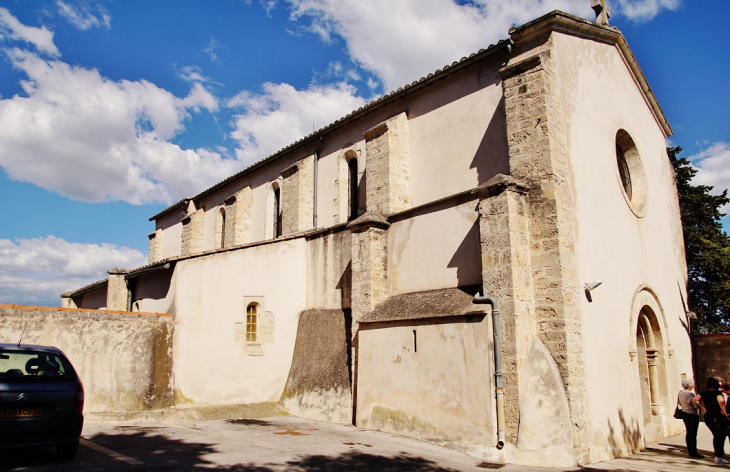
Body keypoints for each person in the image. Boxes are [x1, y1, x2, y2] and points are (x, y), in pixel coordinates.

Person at [693, 377, 729, 464]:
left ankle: (719, 453)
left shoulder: (703, 393)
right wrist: (725, 413)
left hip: (708, 416)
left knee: (716, 434)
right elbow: (721, 402)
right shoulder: (718, 393)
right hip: (717, 416)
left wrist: (703, 407)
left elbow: (694, 399)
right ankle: (718, 455)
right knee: (720, 435)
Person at [678, 378, 702, 458]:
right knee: (693, 433)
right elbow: (695, 405)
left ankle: (690, 450)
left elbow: (679, 403)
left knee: (689, 432)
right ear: (690, 385)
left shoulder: (680, 393)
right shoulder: (690, 394)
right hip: (692, 414)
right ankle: (693, 451)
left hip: (684, 413)